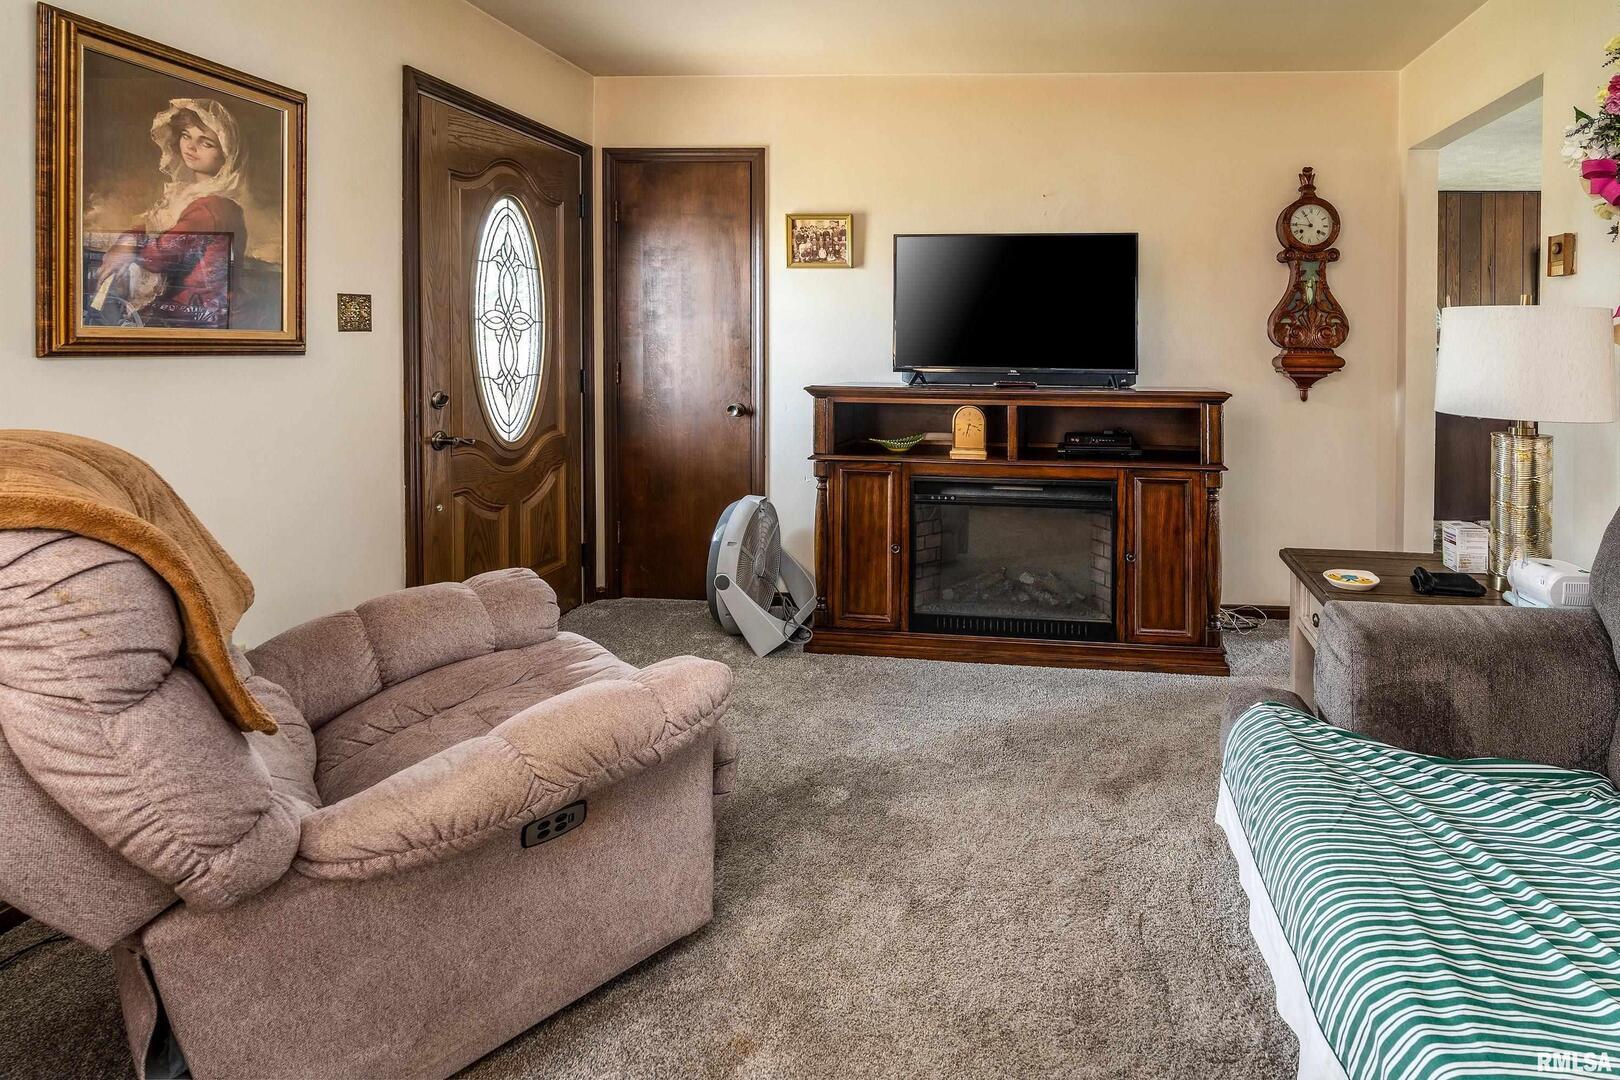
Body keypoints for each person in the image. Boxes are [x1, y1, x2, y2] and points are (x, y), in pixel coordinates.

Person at [90, 98, 246, 329]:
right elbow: (146, 225)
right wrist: (127, 242)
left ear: (226, 155)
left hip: (197, 314)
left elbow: (157, 256)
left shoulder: (214, 206)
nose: (191, 147)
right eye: (186, 135)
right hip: (178, 306)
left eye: (206, 143)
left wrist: (128, 248)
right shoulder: (186, 196)